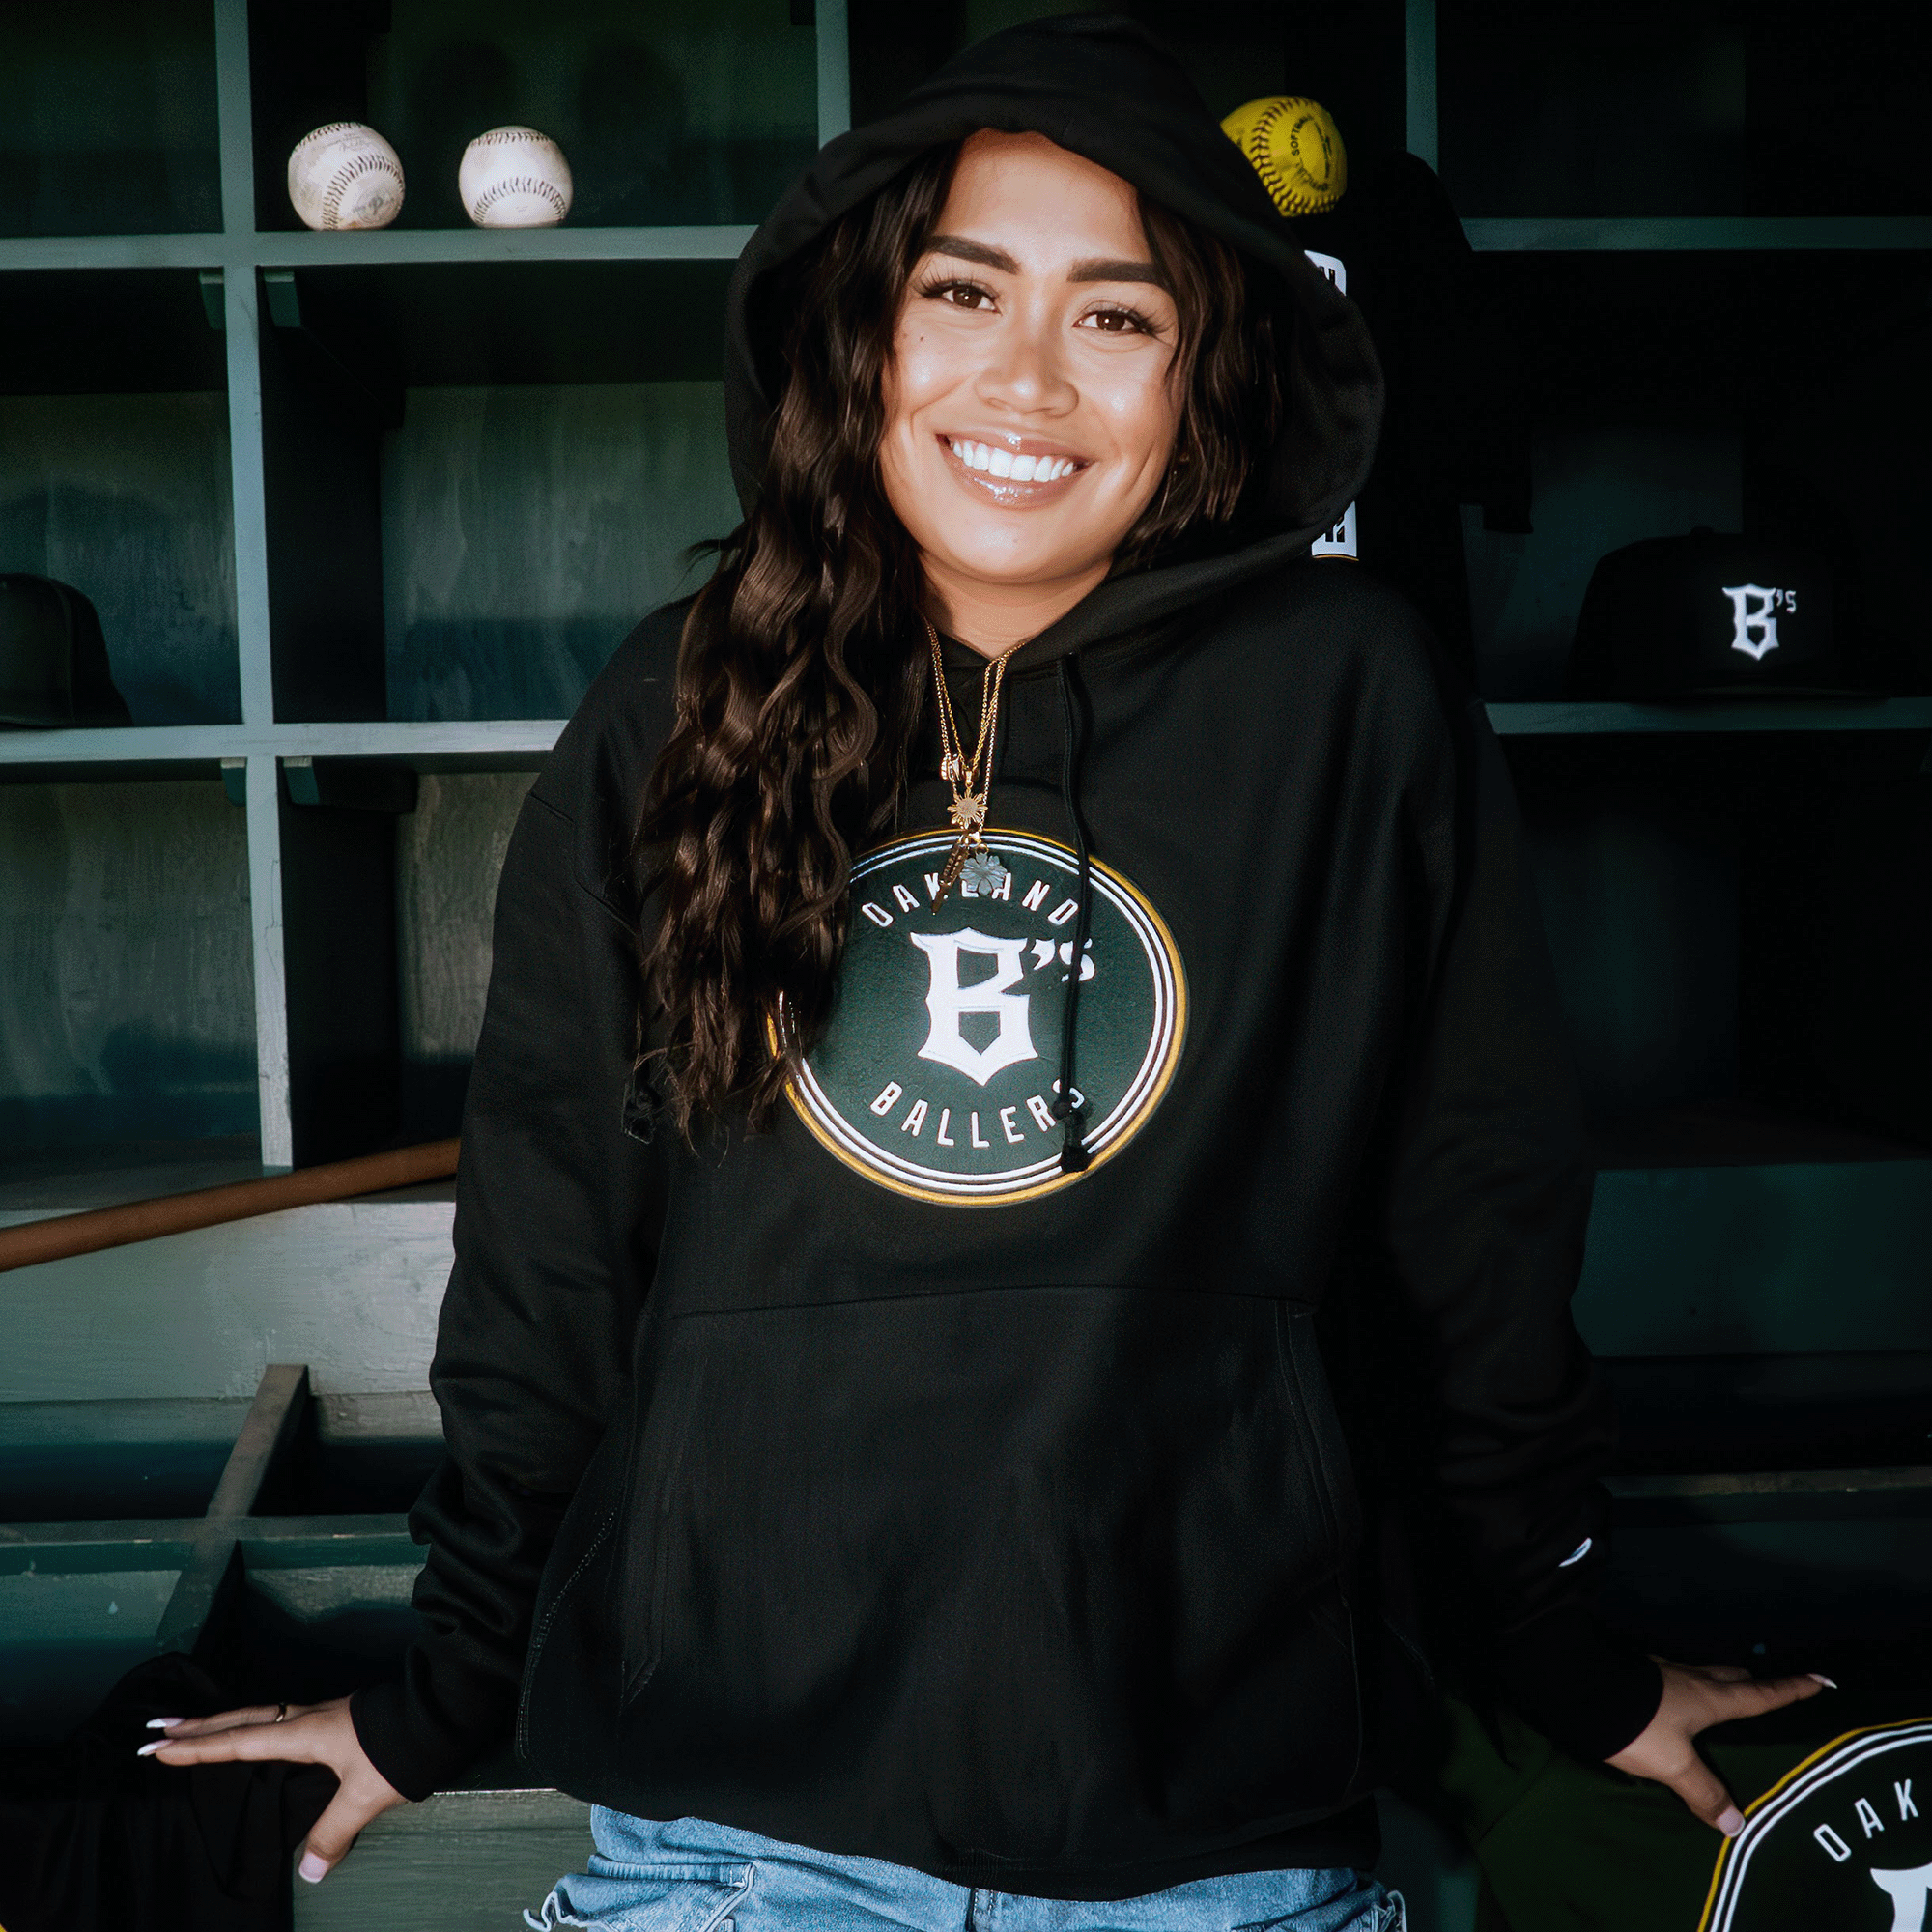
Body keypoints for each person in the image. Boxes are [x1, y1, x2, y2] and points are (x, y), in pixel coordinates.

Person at [141, 17, 1826, 1927]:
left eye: (1117, 314)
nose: (1028, 375)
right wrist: (439, 1688)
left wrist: (1567, 1652)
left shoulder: (1343, 698)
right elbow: (549, 1250)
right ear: (861, 328)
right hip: (734, 1841)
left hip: (1216, 1839)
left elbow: (1476, 1227)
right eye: (964, 292)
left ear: (1204, 372)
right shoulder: (676, 701)